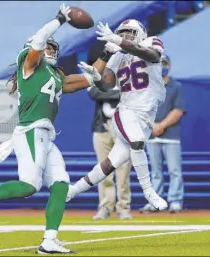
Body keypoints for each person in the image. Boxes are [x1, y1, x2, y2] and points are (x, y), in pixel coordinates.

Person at [0, 4, 117, 254]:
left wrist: (108, 52)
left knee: (60, 184)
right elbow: (39, 41)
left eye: (52, 46)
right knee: (29, 186)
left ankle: (49, 241)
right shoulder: (28, 66)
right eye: (46, 46)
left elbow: (89, 79)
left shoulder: (55, 75)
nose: (50, 48)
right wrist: (60, 19)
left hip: (46, 135)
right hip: (30, 131)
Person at [66, 19, 168, 212]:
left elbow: (150, 54)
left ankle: (73, 190)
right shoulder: (117, 56)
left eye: (130, 31)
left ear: (141, 33)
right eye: (123, 32)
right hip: (126, 110)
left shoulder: (151, 42)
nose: (126, 35)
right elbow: (107, 84)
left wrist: (119, 42)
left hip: (146, 114)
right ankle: (149, 193)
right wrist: (97, 78)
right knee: (137, 143)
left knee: (110, 164)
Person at [139, 54, 185, 214]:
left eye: (164, 63)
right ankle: (155, 202)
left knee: (174, 170)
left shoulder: (176, 86)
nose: (161, 66)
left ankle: (175, 201)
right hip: (152, 136)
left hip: (171, 136)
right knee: (155, 171)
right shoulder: (147, 86)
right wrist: (153, 126)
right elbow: (142, 109)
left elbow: (178, 110)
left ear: (169, 66)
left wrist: (161, 125)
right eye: (158, 63)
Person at [88, 84, 132, 220]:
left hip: (123, 127)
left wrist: (107, 92)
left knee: (123, 172)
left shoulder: (128, 76)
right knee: (103, 170)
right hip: (102, 127)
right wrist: (116, 92)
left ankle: (123, 207)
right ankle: (105, 206)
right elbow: (94, 93)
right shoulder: (99, 78)